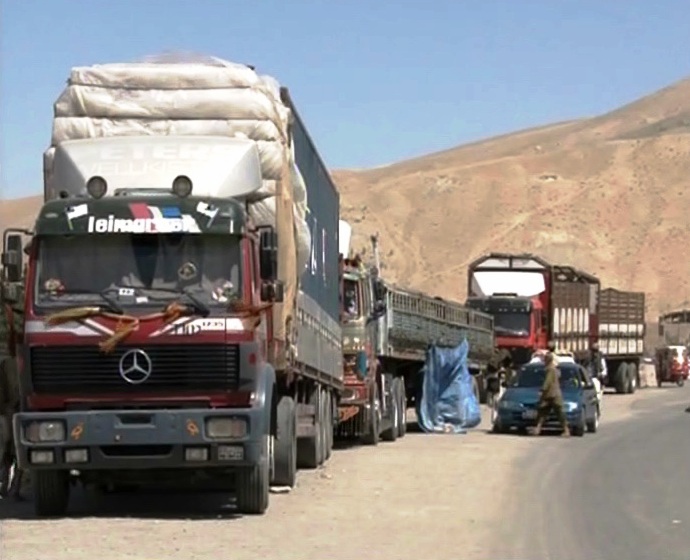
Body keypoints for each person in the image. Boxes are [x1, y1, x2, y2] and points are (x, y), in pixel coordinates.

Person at [533, 352, 570, 437]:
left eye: (545, 359)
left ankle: (566, 430)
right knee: (542, 412)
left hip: (552, 394)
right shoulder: (553, 369)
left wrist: (542, 390)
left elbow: (548, 381)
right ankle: (537, 429)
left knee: (559, 413)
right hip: (551, 394)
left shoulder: (551, 369)